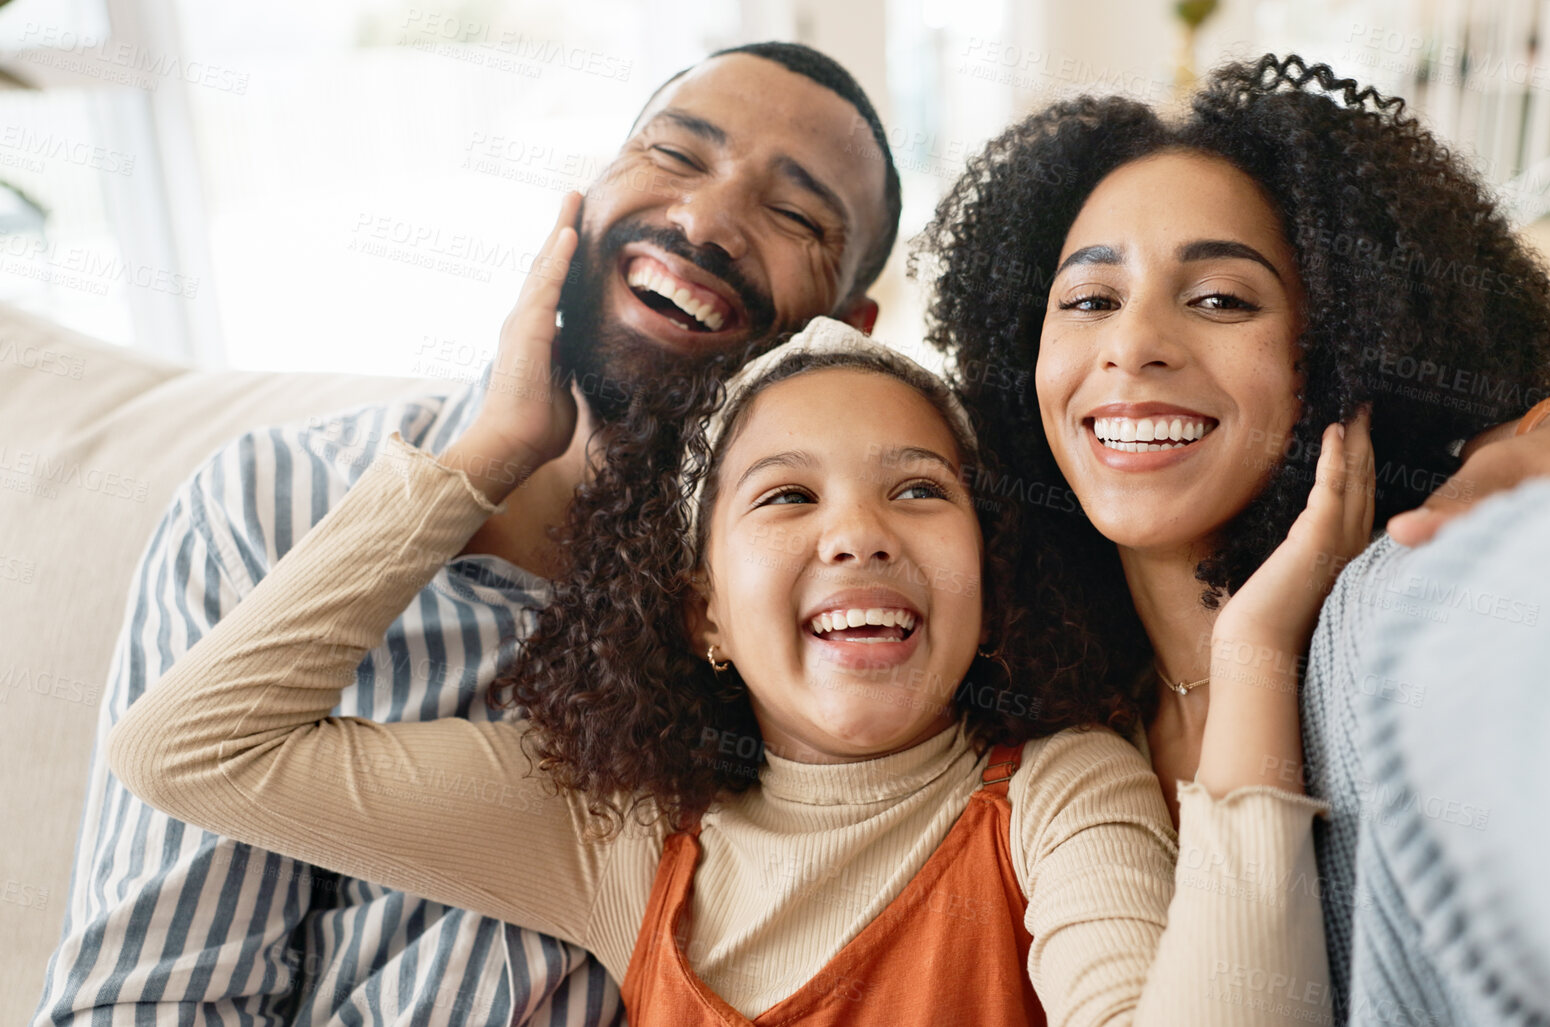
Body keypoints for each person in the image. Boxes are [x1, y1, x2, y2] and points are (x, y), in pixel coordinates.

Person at [104, 298, 1352, 1023]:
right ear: (702, 611)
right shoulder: (621, 834)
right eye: (786, 495)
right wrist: (481, 456)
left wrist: (1251, 652)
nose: (858, 530)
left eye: (919, 490)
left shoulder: (1056, 793)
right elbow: (192, 751)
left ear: (989, 577)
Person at [38, 41, 904, 1025]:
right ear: (587, 194)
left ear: (848, 327)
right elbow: (147, 1000)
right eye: (673, 153)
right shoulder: (270, 508)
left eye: (794, 215)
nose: (705, 220)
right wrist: (486, 458)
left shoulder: (825, 611)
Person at [915, 53, 1550, 1014]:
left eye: (1221, 299)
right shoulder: (1036, 695)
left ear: (1348, 343)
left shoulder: (1405, 620)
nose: (1132, 342)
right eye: (1090, 300)